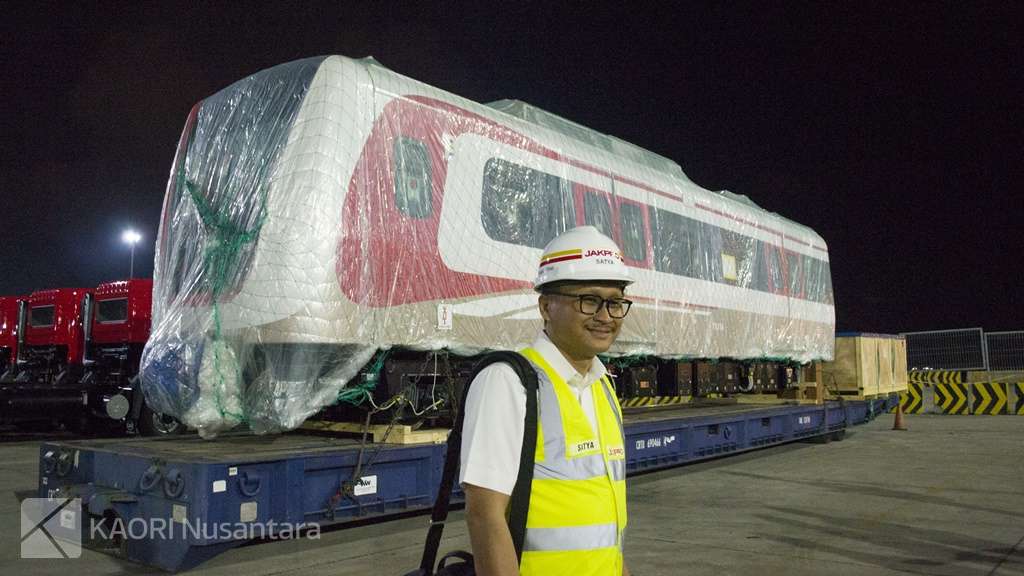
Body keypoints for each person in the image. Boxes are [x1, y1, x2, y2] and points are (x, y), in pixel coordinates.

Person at [460, 226, 633, 576]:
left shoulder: (603, 387)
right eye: (589, 300)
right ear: (546, 306)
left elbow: (604, 532)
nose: (605, 316)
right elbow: (484, 515)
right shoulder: (509, 382)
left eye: (615, 303)